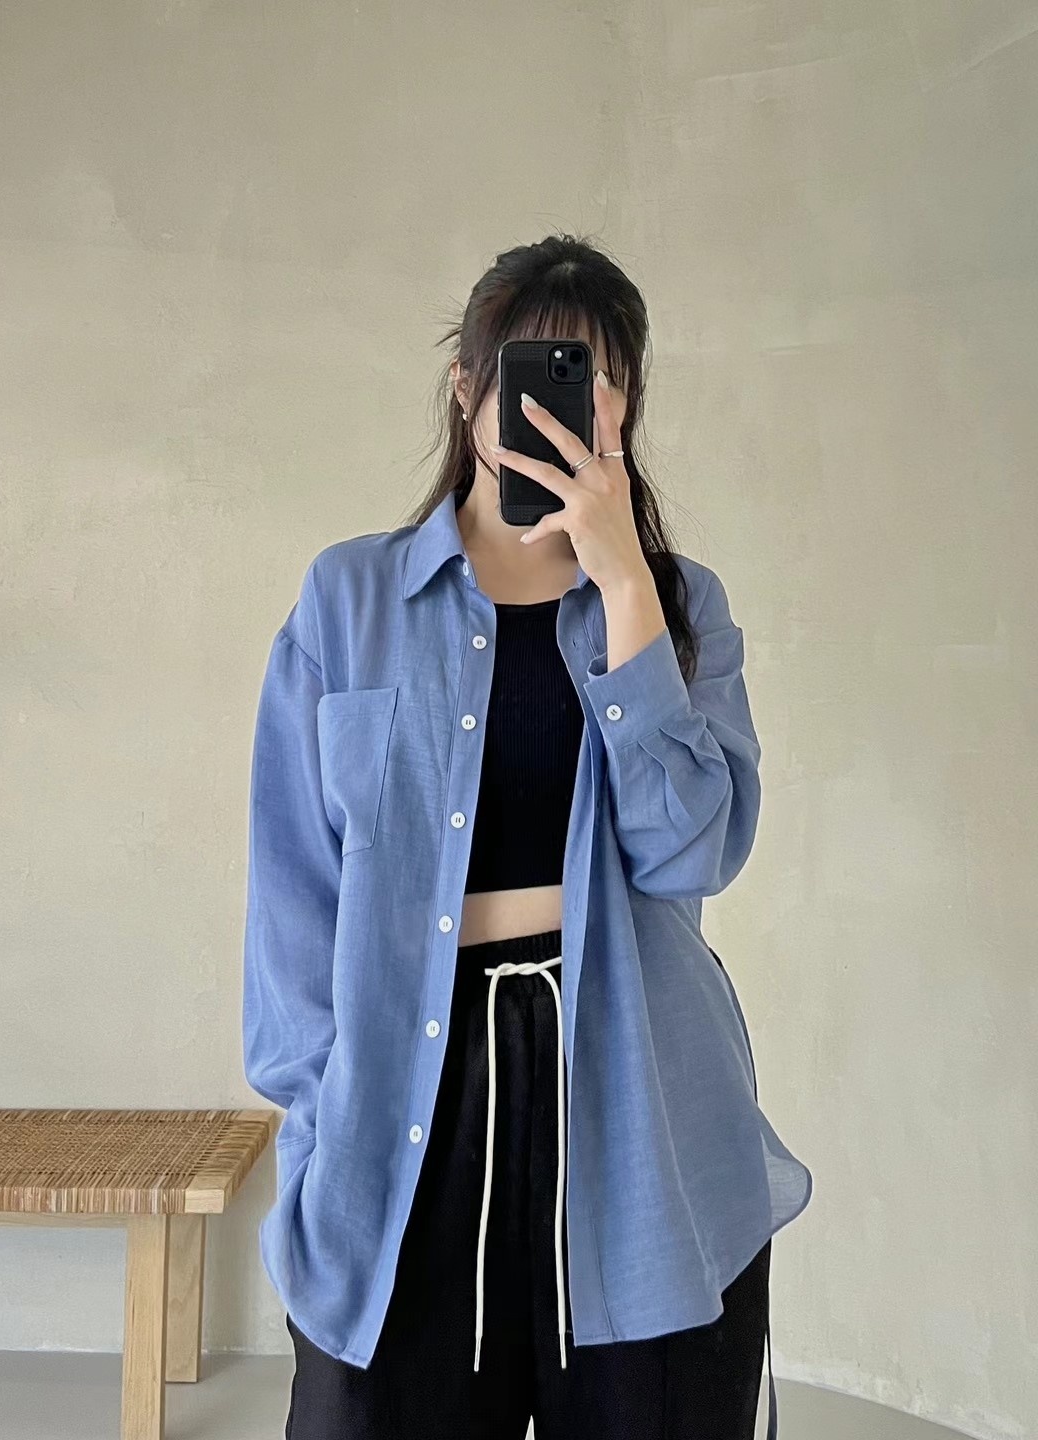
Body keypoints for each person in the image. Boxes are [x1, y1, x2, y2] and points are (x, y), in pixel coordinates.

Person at [242, 232, 813, 1439]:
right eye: (531, 375)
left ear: (626, 410)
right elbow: (292, 897)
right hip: (401, 1112)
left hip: (638, 1103)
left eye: (594, 382)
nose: (561, 410)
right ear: (469, 390)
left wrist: (625, 589)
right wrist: (317, 1132)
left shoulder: (678, 603)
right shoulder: (348, 601)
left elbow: (692, 853)